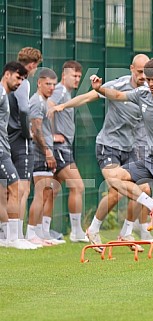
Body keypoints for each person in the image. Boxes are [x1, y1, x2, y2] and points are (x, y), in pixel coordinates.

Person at [48, 54, 153, 252]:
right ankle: (93, 229)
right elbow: (89, 96)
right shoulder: (120, 85)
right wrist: (63, 105)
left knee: (143, 189)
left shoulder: (149, 91)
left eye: (146, 72)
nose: (143, 76)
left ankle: (126, 232)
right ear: (132, 68)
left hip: (131, 148)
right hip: (109, 145)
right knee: (115, 189)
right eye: (140, 72)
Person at [90, 58, 153, 237]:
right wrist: (98, 88)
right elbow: (117, 95)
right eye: (148, 79)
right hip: (131, 151)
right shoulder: (141, 93)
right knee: (115, 183)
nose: (150, 83)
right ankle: (98, 230)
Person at [44, 60, 89, 243]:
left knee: (51, 190)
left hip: (61, 147)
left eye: (79, 76)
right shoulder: (61, 90)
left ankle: (42, 232)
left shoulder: (67, 93)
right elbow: (47, 107)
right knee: (78, 186)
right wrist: (51, 135)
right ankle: (77, 232)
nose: (77, 79)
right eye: (74, 75)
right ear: (64, 75)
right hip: (59, 148)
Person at [8, 47, 43, 240]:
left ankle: (7, 233)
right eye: (36, 66)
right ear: (31, 65)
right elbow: (23, 109)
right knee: (22, 188)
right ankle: (18, 236)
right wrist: (26, 132)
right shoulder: (24, 83)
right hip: (20, 140)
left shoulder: (8, 80)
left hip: (7, 138)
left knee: (8, 187)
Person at [26, 68, 63, 246]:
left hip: (46, 151)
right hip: (39, 153)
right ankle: (31, 232)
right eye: (48, 84)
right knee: (40, 192)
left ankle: (41, 232)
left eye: (54, 85)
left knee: (48, 191)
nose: (51, 88)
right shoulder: (36, 102)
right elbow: (35, 129)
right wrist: (48, 151)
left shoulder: (44, 102)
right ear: (39, 83)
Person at [0, 61, 34, 249]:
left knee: (5, 191)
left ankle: (7, 236)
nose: (20, 82)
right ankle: (13, 238)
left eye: (22, 79)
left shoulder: (5, 95)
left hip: (4, 147)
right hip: (0, 150)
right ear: (7, 74)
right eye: (18, 77)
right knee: (15, 187)